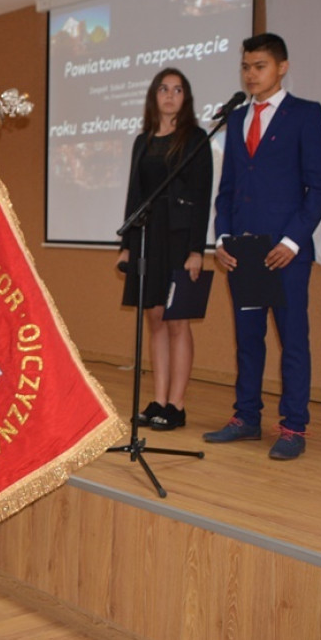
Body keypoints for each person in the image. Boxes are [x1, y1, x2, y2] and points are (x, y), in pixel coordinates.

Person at [204, 33, 321, 460]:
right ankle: (246, 418)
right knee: (248, 338)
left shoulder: (305, 115)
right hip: (244, 252)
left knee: (293, 339)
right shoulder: (237, 119)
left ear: (282, 67)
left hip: (287, 253)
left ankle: (294, 426)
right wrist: (222, 238)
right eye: (245, 66)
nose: (250, 74)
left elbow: (320, 185)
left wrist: (294, 241)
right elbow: (227, 191)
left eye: (259, 66)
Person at [116, 68, 212, 431]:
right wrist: (127, 246)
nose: (170, 95)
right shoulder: (142, 141)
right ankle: (157, 400)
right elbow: (134, 195)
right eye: (163, 89)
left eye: (177, 90)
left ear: (185, 97)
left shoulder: (196, 139)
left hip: (178, 238)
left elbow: (202, 198)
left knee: (177, 321)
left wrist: (196, 250)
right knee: (154, 319)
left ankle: (177, 404)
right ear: (153, 96)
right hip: (146, 238)